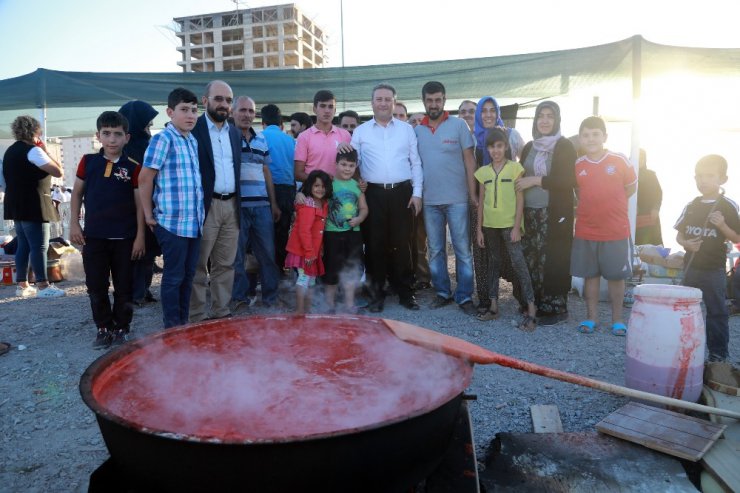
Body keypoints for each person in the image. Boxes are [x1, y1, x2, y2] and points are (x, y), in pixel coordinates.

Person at [69, 111, 145, 348]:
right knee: (96, 286)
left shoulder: (133, 167)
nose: (112, 140)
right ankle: (103, 328)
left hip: (125, 238)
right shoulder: (88, 162)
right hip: (94, 237)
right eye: (107, 134)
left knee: (124, 287)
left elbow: (140, 204)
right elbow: (77, 194)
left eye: (117, 134)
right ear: (98, 136)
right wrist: (74, 223)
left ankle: (122, 327)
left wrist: (141, 236)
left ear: (127, 138)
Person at [344, 83, 423, 312]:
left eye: (388, 99)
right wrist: (358, 181)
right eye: (379, 99)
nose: (383, 103)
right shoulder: (361, 131)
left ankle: (406, 293)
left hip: (402, 193)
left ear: (394, 102)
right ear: (372, 103)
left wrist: (417, 194)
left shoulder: (406, 129)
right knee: (375, 246)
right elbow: (352, 162)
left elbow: (415, 163)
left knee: (403, 244)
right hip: (373, 194)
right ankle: (375, 295)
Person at [139, 87, 204, 329]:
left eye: (194, 111)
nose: (190, 115)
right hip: (171, 223)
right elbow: (145, 178)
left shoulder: (192, 140)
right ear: (170, 112)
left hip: (194, 223)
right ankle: (172, 329)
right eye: (184, 110)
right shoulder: (163, 139)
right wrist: (148, 215)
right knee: (174, 277)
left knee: (188, 277)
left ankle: (183, 325)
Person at [570, 116, 637, 336]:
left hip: (616, 230)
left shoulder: (620, 161)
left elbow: (630, 187)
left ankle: (617, 320)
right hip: (587, 230)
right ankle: (591, 318)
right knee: (591, 275)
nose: (591, 139)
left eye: (595, 134)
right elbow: (580, 193)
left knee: (616, 277)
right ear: (580, 139)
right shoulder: (578, 165)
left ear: (605, 137)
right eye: (586, 135)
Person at [415, 81, 477, 314]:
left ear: (444, 100)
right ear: (423, 101)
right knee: (436, 250)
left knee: (462, 249)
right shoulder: (417, 130)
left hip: (458, 199)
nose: (434, 104)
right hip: (430, 201)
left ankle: (464, 296)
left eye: (438, 100)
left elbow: (470, 161)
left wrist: (472, 194)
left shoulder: (459, 126)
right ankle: (442, 292)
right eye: (430, 100)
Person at [515, 101, 577, 325]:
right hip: (529, 212)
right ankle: (532, 304)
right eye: (541, 115)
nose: (545, 120)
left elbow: (569, 179)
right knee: (531, 258)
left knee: (552, 259)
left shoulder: (565, 146)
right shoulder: (529, 146)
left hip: (553, 214)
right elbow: (520, 174)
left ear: (557, 120)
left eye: (550, 116)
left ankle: (555, 309)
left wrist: (536, 180)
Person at [675, 155, 739, 361]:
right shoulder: (691, 205)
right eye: (699, 176)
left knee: (717, 311)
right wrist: (686, 244)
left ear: (723, 179)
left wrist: (722, 226)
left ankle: (718, 354)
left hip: (714, 269)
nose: (703, 181)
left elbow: (737, 237)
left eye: (710, 176)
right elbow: (679, 234)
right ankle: (680, 348)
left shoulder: (728, 206)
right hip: (690, 267)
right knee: (682, 308)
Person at [189, 80, 242, 322]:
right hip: (205, 206)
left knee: (226, 264)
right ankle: (197, 316)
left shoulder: (233, 131)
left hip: (232, 206)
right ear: (205, 101)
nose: (224, 104)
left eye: (228, 100)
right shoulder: (193, 129)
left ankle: (221, 312)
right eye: (219, 98)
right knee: (198, 265)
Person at [475, 128, 537, 330]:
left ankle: (531, 308)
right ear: (488, 149)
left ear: (506, 146)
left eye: (499, 146)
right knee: (493, 263)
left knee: (519, 263)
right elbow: (482, 201)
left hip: (510, 225)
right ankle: (493, 306)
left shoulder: (515, 168)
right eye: (492, 147)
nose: (496, 151)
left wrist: (517, 226)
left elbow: (521, 200)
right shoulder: (483, 172)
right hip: (490, 225)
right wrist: (479, 229)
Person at [471, 96, 525, 314]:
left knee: (512, 253)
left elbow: (522, 160)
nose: (488, 115)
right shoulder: (473, 139)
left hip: (507, 205)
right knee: (482, 253)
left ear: (498, 112)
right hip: (482, 203)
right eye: (483, 111)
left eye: (492, 110)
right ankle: (486, 300)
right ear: (478, 115)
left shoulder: (511, 135)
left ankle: (522, 298)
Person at [2, 115, 65, 298]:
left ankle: (22, 285)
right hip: (34, 203)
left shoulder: (10, 152)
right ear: (35, 131)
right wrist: (45, 150)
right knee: (40, 246)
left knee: (24, 244)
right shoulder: (33, 151)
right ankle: (43, 286)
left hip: (16, 203)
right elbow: (57, 170)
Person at [231, 96, 281, 309]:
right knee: (237, 256)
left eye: (251, 111)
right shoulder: (227, 137)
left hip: (261, 207)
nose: (247, 115)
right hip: (237, 208)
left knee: (268, 254)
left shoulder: (261, 140)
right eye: (242, 110)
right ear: (233, 112)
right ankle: (239, 298)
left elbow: (266, 171)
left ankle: (271, 298)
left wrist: (274, 203)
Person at [118, 100, 160, 307]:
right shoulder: (131, 147)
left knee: (148, 252)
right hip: (132, 207)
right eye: (147, 123)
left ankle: (143, 290)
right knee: (137, 252)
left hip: (146, 205)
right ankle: (136, 293)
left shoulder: (140, 144)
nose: (149, 127)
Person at [323, 150, 368, 313]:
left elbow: (363, 208)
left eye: (351, 166)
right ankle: (329, 305)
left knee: (351, 268)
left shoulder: (357, 186)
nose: (347, 169)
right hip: (331, 233)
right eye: (343, 165)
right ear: (335, 165)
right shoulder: (329, 184)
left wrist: (359, 219)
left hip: (353, 234)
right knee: (331, 269)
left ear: (356, 167)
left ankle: (349, 304)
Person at [285, 170, 332, 314]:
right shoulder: (308, 204)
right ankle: (299, 311)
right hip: (304, 251)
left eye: (323, 186)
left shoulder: (323, 203)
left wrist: (319, 249)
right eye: (316, 185)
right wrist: (310, 253)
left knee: (311, 281)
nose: (320, 189)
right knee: (304, 279)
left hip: (313, 251)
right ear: (309, 186)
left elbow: (319, 231)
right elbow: (304, 231)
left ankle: (308, 309)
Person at [260, 104, 296, 272]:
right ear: (281, 122)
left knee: (265, 231)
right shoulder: (290, 140)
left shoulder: (260, 137)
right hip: (288, 189)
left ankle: (266, 269)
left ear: (262, 122)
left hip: (267, 188)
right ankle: (280, 267)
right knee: (283, 231)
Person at [295, 90, 352, 181]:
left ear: (335, 110)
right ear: (314, 109)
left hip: (339, 193)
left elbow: (352, 166)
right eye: (322, 106)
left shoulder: (345, 135)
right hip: (313, 193)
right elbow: (298, 174)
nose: (327, 111)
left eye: (330, 107)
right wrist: (321, 181)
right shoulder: (304, 137)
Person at [635, 148, 664, 246]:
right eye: (636, 158)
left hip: (650, 215)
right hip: (632, 216)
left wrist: (656, 208)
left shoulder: (651, 175)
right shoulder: (625, 175)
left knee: (653, 245)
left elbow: (658, 193)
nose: (639, 161)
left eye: (642, 158)